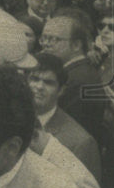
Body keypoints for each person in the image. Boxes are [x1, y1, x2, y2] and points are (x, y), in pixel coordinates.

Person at [25, 53, 102, 182]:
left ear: (61, 90)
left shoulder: (80, 142)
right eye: (34, 79)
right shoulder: (12, 122)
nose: (39, 87)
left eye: (48, 83)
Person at [39, 13, 105, 145]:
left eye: (53, 39)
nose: (45, 44)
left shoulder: (77, 80)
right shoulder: (74, 72)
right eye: (44, 38)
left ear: (76, 45)